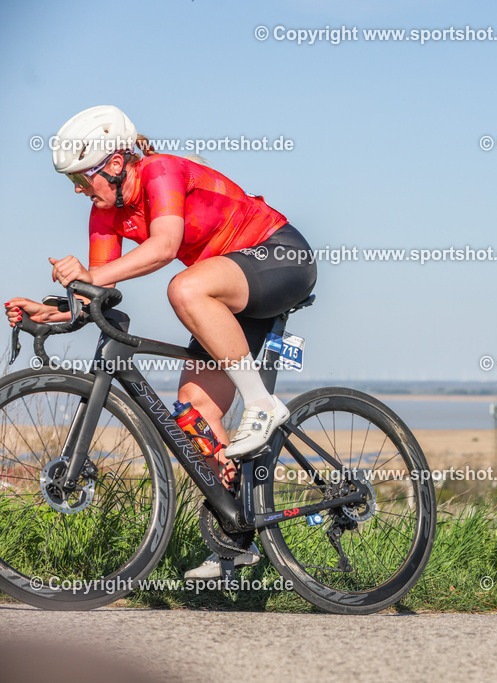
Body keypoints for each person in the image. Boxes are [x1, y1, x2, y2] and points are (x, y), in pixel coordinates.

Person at [5, 105, 317, 576]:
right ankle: (236, 538)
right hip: (228, 294)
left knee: (184, 285)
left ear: (113, 163)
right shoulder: (104, 213)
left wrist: (87, 276)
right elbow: (96, 293)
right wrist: (53, 309)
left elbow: (164, 247)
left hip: (278, 257)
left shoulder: (160, 171)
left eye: (81, 178)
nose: (77, 190)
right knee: (193, 412)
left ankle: (262, 404)